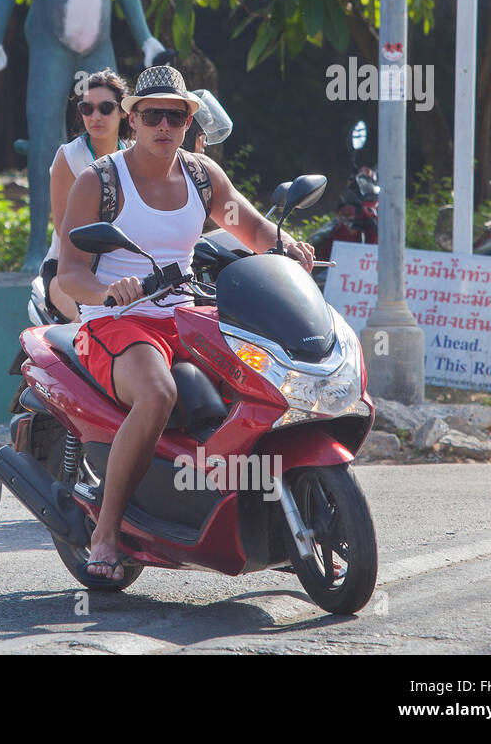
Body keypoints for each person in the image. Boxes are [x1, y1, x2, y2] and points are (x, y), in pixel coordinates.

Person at [56, 65, 314, 580]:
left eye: (175, 115)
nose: (164, 126)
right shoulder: (100, 180)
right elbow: (68, 275)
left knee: (268, 380)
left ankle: (267, 515)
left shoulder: (201, 175)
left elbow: (251, 228)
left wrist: (290, 249)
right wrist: (110, 290)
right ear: (133, 120)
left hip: (190, 315)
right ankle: (107, 534)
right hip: (118, 322)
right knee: (157, 394)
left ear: (188, 121)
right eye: (152, 114)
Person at [41, 69, 132, 321]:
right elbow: (62, 226)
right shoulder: (68, 156)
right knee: (98, 322)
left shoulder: (134, 156)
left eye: (105, 107)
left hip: (125, 272)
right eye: (87, 108)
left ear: (124, 111)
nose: (95, 116)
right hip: (66, 270)